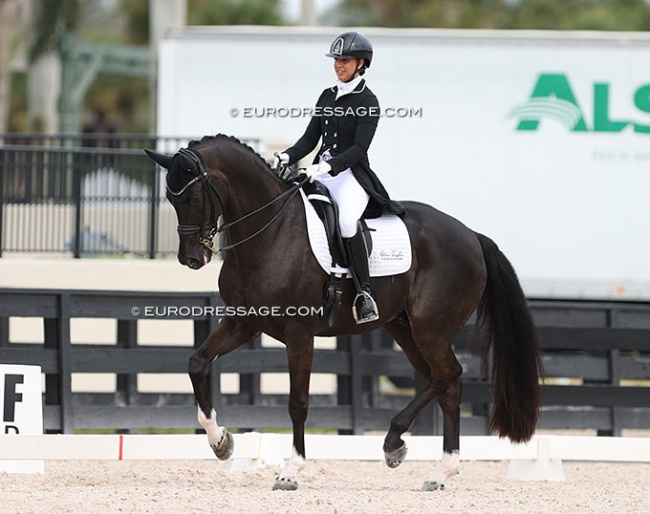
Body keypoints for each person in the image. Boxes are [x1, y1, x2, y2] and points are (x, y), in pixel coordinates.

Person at [274, 31, 405, 324]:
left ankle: (364, 293)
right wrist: (287, 156)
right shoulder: (327, 95)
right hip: (319, 172)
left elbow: (359, 148)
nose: (338, 65)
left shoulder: (368, 100)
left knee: (346, 222)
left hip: (350, 177)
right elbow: (310, 139)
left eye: (344, 60)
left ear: (361, 63)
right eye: (336, 60)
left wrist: (328, 166)